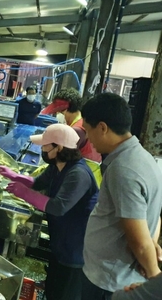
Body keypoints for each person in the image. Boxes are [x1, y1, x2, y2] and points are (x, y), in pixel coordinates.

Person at [0, 123, 99, 300]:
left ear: (59, 148)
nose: (41, 148)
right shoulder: (58, 166)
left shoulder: (78, 174)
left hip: (76, 250)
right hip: (60, 243)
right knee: (53, 290)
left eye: (45, 145)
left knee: (65, 294)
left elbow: (58, 207)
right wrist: (12, 175)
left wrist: (24, 193)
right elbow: (38, 182)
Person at [80, 93, 162, 300]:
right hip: (112, 275)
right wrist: (152, 242)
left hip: (109, 283)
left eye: (88, 131)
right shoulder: (144, 158)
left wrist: (154, 279)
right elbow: (155, 215)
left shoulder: (124, 169)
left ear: (102, 128)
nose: (88, 138)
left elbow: (139, 241)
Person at [41, 88, 101, 162]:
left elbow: (63, 157)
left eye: (59, 111)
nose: (57, 114)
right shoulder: (82, 121)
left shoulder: (77, 130)